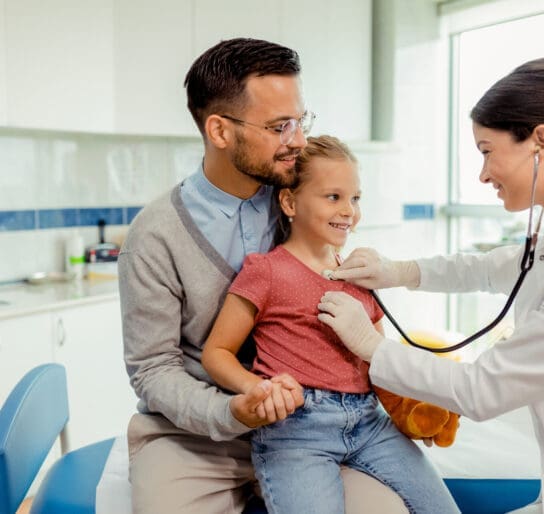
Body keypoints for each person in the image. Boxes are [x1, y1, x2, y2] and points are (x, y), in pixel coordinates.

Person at [318, 55, 544, 514]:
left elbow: (482, 390)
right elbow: (494, 268)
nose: (483, 174)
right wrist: (398, 271)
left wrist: (369, 344)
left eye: (488, 151)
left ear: (540, 142)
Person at [118, 38, 409, 514]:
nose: (297, 139)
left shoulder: (296, 202)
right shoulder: (154, 238)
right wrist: (233, 410)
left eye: (300, 121)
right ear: (219, 130)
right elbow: (154, 370)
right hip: (197, 435)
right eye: (279, 127)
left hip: (313, 426)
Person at [201, 135, 460, 514]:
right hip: (297, 432)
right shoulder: (266, 271)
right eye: (333, 197)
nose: (349, 212)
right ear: (289, 202)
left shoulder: (360, 273)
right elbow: (216, 352)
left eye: (355, 199)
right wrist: (257, 389)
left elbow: (380, 359)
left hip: (369, 423)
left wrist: (413, 404)